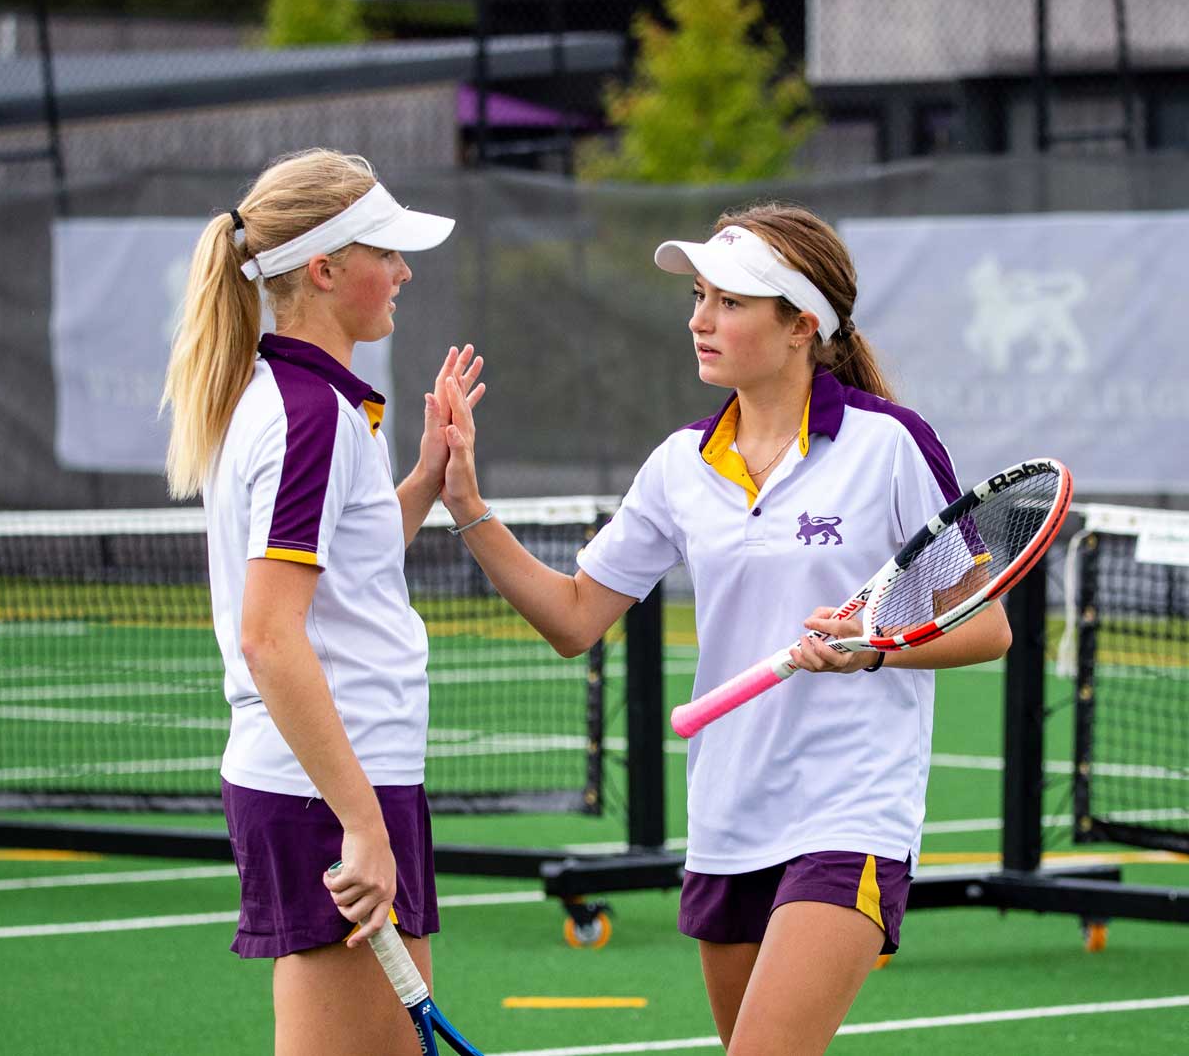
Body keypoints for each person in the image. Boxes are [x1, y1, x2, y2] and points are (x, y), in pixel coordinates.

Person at [434, 203, 1012, 1055]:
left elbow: (987, 623)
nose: (699, 319)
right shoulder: (679, 467)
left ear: (799, 326)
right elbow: (572, 619)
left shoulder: (889, 445)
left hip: (849, 811)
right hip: (727, 817)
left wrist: (872, 648)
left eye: (730, 301)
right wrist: (467, 506)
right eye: (700, 297)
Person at [161, 148, 484, 1055]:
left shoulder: (311, 405)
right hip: (327, 792)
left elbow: (350, 562)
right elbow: (270, 637)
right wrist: (360, 821)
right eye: (387, 250)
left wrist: (426, 475)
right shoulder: (305, 416)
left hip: (342, 780)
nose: (404, 271)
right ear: (325, 269)